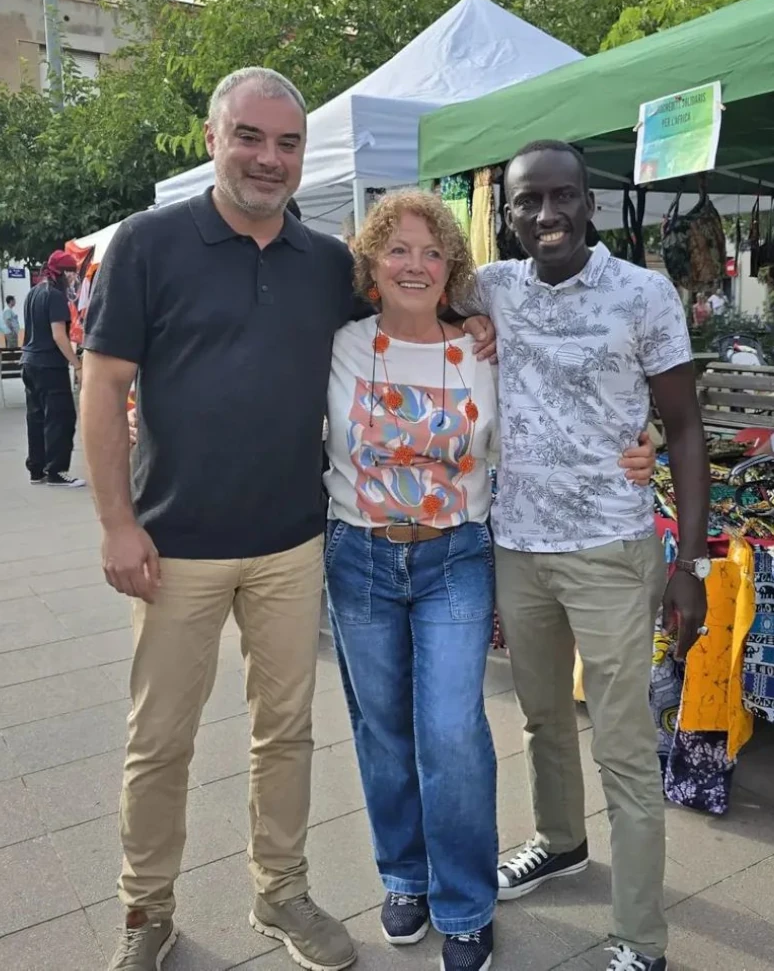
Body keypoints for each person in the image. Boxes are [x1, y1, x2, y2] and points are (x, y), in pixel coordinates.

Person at [80, 67, 496, 971]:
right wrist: (116, 521)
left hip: (296, 543)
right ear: (211, 137)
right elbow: (104, 385)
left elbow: (408, 303)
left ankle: (282, 890)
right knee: (160, 740)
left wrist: (471, 317)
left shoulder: (324, 263)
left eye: (288, 143)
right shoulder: (148, 246)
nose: (270, 159)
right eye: (250, 137)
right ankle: (145, 910)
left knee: (287, 732)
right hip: (173, 544)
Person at [323, 190, 658, 971]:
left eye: (432, 251)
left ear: (453, 267)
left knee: (451, 732)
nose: (415, 264)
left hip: (456, 558)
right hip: (360, 556)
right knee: (381, 729)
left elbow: (564, 412)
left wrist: (637, 448)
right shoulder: (337, 345)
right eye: (398, 249)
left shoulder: (484, 348)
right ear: (372, 261)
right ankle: (405, 874)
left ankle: (466, 901)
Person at [477, 142, 709, 971]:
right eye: (528, 200)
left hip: (613, 548)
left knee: (621, 745)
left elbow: (682, 427)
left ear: (591, 203)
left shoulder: (642, 293)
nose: (547, 215)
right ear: (505, 214)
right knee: (540, 716)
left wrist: (690, 561)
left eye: (564, 196)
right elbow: (390, 281)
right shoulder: (490, 289)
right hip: (519, 545)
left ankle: (641, 937)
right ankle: (559, 839)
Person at [20, 252, 86, 488]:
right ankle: (57, 471)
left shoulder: (33, 293)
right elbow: (59, 336)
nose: (72, 278)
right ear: (64, 273)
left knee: (36, 418)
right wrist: (77, 365)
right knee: (61, 417)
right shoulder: (55, 296)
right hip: (50, 365)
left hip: (29, 362)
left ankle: (36, 470)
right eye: (71, 272)